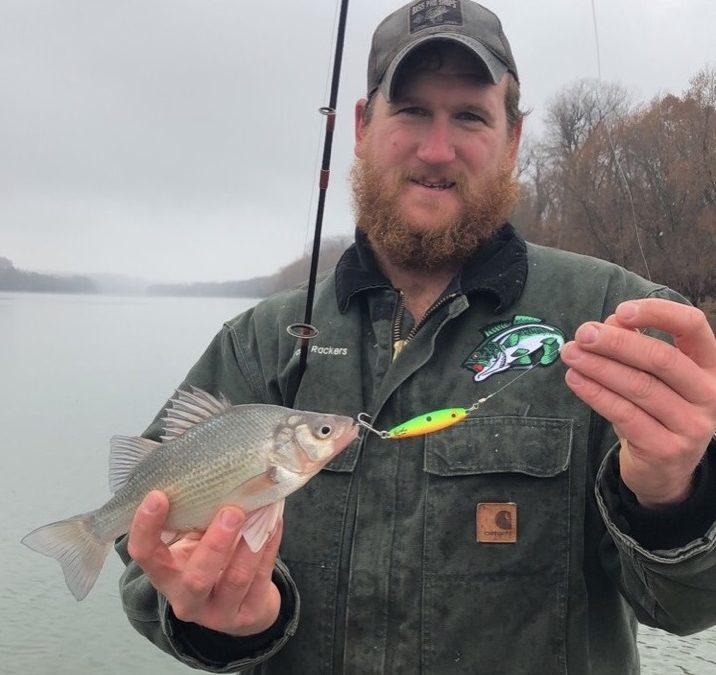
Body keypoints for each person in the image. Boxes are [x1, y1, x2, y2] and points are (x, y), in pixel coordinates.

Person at [116, 1, 716, 673]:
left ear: (513, 140)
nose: (437, 150)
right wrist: (236, 620)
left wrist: (672, 494)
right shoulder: (259, 342)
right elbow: (142, 562)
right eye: (411, 111)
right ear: (363, 127)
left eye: (469, 115)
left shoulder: (616, 320)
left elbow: (688, 607)